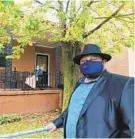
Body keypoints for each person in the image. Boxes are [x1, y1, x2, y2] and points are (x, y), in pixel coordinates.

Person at [45, 44, 134, 138]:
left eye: (93, 59)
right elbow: (73, 110)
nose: (88, 62)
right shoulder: (79, 85)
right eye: (84, 61)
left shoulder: (122, 84)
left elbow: (131, 128)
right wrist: (56, 123)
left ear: (103, 62)